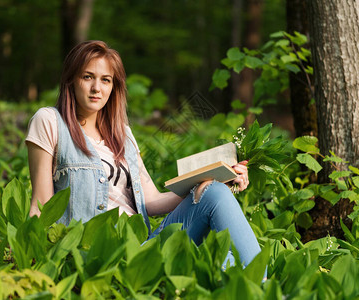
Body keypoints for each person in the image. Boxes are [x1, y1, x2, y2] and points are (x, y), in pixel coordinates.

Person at [25, 40, 262, 272]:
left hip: (144, 246)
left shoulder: (122, 134)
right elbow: (42, 205)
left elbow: (151, 201)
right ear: (71, 80)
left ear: (113, 87)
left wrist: (212, 178)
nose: (97, 88)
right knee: (221, 263)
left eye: (105, 80)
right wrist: (35, 263)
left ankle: (258, 283)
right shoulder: (50, 121)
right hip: (95, 256)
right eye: (88, 77)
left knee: (216, 191)